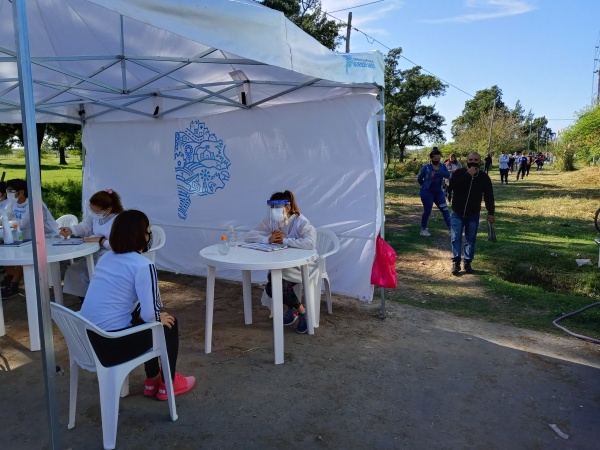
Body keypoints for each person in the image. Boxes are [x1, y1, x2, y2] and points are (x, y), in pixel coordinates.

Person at [79, 209, 195, 400]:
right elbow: (151, 315)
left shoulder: (106, 258)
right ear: (139, 235)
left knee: (141, 315)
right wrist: (159, 316)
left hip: (88, 341)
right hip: (112, 347)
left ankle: (152, 380)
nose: (149, 236)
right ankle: (168, 383)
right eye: (148, 232)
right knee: (169, 324)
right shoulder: (143, 265)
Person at [244, 190, 317, 334]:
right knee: (272, 286)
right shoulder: (271, 221)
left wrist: (284, 240)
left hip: (301, 265)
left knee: (276, 283)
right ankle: (300, 310)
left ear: (287, 207)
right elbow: (249, 236)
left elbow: (311, 243)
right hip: (281, 264)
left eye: (277, 208)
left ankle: (296, 310)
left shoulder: (300, 221)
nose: (273, 211)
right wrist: (268, 239)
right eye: (272, 208)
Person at [1, 178, 60, 298]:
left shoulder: (34, 204)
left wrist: (8, 223)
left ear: (21, 192)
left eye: (11, 190)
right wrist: (7, 222)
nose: (8, 194)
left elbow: (22, 224)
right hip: (27, 236)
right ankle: (11, 274)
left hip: (48, 237)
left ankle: (14, 284)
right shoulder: (12, 204)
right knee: (7, 245)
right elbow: (4, 218)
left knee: (27, 253)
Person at [60, 189, 123, 299]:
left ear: (109, 209)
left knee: (96, 273)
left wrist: (101, 240)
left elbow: (120, 246)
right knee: (75, 270)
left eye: (97, 212)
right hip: (95, 251)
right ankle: (85, 299)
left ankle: (98, 299)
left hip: (113, 255)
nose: (94, 214)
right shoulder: (96, 215)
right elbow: (85, 226)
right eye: (92, 210)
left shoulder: (121, 220)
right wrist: (71, 230)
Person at [447, 152, 495, 275]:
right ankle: (456, 262)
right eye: (470, 159)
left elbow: (489, 195)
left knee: (471, 239)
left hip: (473, 213)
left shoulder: (484, 177)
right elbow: (453, 186)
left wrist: (491, 212)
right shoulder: (459, 173)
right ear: (466, 160)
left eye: (476, 160)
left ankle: (467, 262)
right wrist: (467, 175)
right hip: (457, 212)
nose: (473, 162)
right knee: (455, 237)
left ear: (480, 162)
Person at [416, 147, 451, 237]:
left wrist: (439, 171)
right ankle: (423, 229)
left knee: (445, 209)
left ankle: (451, 228)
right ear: (431, 158)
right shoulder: (426, 167)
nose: (437, 160)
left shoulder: (442, 166)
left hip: (438, 192)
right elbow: (419, 178)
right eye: (435, 159)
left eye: (439, 159)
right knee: (427, 211)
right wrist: (424, 186)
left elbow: (448, 175)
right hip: (427, 192)